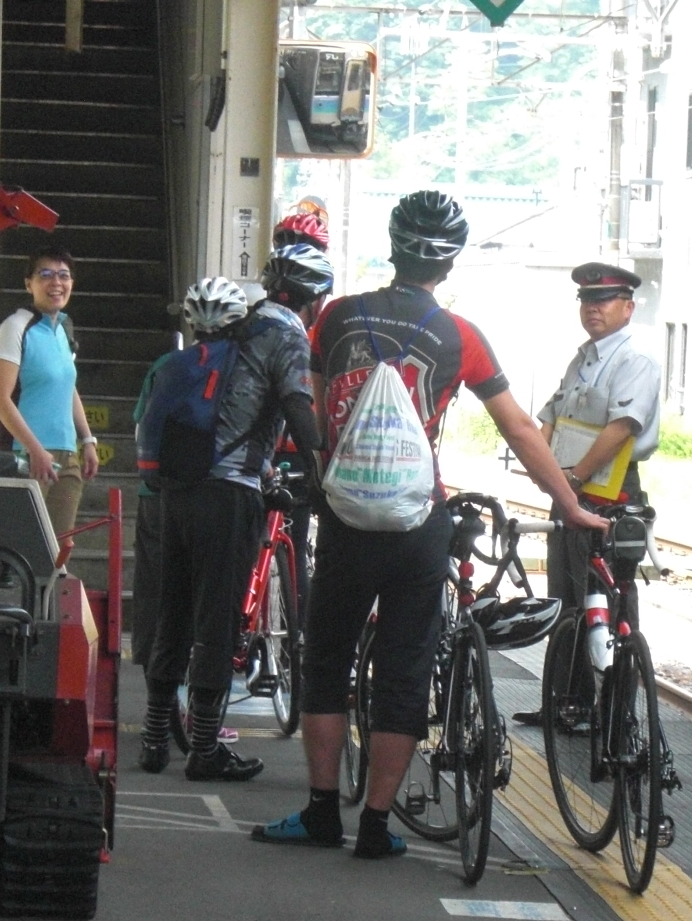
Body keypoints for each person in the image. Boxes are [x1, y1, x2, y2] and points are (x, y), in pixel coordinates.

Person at [252, 190, 607, 859]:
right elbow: (521, 429)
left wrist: (320, 472)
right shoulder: (460, 336)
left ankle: (322, 812)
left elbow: (318, 407)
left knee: (326, 662)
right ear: (448, 266)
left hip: (348, 518)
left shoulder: (336, 316)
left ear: (392, 247)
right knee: (406, 672)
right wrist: (568, 505)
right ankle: (378, 826)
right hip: (419, 525)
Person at [139, 277, 323, 782]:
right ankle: (204, 749)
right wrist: (318, 467)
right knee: (215, 624)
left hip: (174, 497)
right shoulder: (248, 359)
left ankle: (155, 741)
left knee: (172, 614)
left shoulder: (176, 366)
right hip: (227, 500)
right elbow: (269, 425)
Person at [512, 262, 662, 726]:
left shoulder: (635, 361)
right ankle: (567, 701)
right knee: (567, 597)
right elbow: (551, 417)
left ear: (628, 308)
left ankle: (616, 712)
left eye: (603, 300)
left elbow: (621, 429)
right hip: (570, 487)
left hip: (610, 492)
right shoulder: (581, 360)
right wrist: (546, 472)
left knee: (609, 597)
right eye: (586, 301)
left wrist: (572, 479)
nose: (592, 308)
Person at [0, 246, 100, 537]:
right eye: (46, 275)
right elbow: (1, 400)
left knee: (59, 548)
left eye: (64, 275)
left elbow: (68, 387)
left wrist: (87, 440)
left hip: (67, 457)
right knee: (23, 544)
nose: (56, 283)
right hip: (27, 456)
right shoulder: (16, 327)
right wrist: (35, 450)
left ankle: (50, 586)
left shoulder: (64, 329)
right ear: (29, 283)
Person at [261, 242, 337, 621]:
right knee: (293, 565)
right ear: (315, 300)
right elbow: (296, 405)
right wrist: (318, 464)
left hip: (216, 462)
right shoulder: (290, 334)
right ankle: (299, 648)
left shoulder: (248, 323)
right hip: (248, 466)